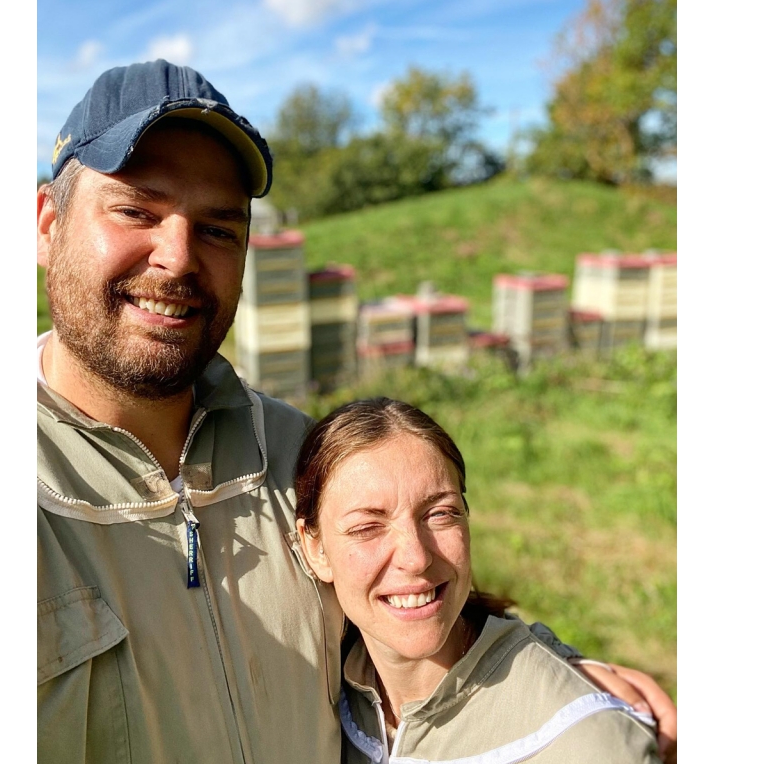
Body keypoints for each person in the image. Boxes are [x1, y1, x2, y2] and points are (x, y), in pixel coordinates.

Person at [37, 59, 676, 763]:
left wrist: (553, 679)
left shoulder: (290, 452)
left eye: (218, 229)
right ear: (47, 225)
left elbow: (414, 597)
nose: (179, 257)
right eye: (136, 211)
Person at [295, 397, 672, 763]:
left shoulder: (588, 745)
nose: (416, 558)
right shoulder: (320, 709)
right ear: (315, 549)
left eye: (440, 514)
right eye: (367, 527)